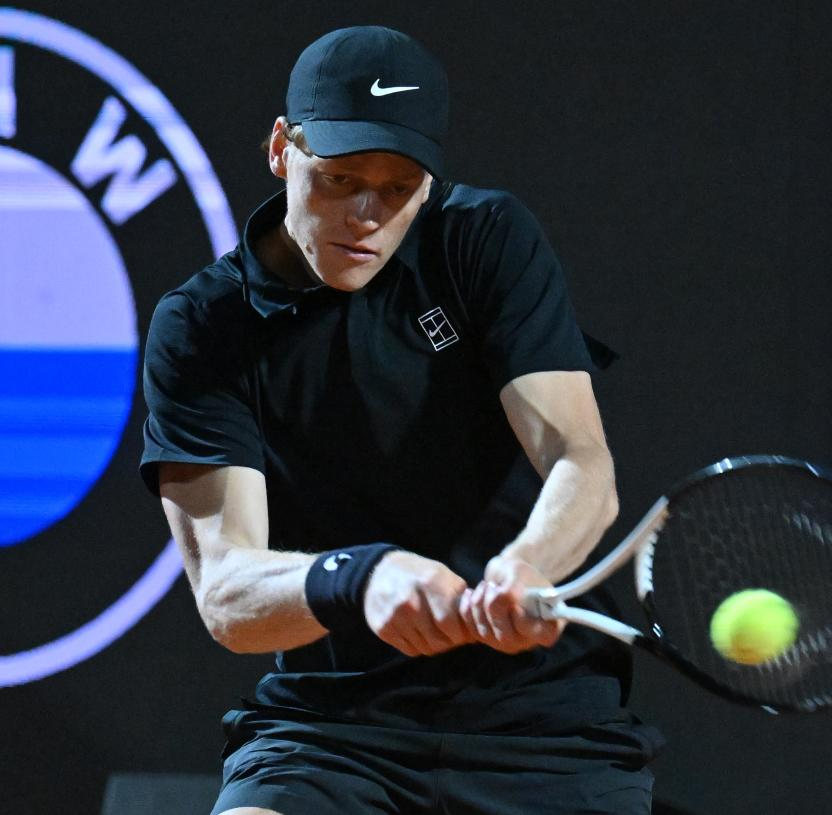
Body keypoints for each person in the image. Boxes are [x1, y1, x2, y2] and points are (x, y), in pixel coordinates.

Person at [141, 25, 661, 815]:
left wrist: (525, 565)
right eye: (339, 178)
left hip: (546, 726)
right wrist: (361, 576)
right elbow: (227, 594)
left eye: (397, 188)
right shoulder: (204, 325)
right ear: (281, 149)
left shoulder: (482, 239)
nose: (365, 214)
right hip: (331, 729)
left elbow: (580, 460)